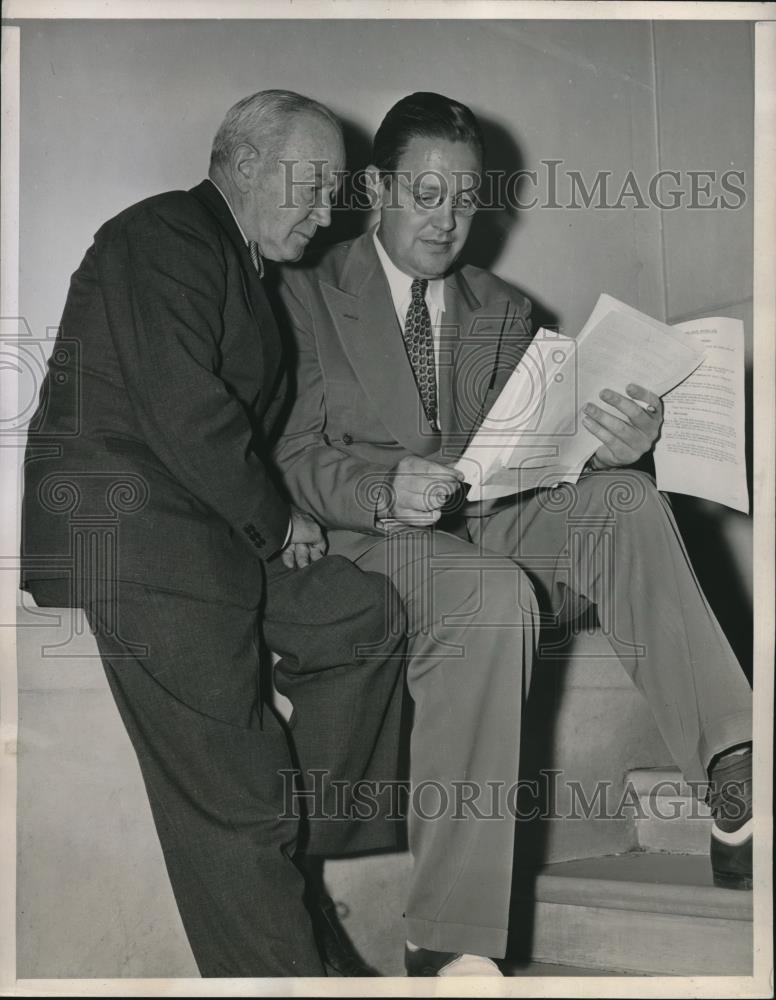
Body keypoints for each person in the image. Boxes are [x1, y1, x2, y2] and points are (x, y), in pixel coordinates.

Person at [272, 91, 754, 976]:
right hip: (373, 535)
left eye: (466, 198)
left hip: (486, 518)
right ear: (376, 188)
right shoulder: (304, 292)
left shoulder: (505, 307)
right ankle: (444, 936)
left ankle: (734, 769)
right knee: (489, 596)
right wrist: (383, 486)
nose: (449, 219)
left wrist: (622, 447)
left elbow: (536, 455)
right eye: (426, 194)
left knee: (626, 502)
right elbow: (293, 452)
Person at [20, 90, 407, 978]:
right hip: (137, 537)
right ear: (240, 165)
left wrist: (279, 521)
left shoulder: (246, 272)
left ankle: (291, 843)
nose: (327, 210)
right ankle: (281, 907)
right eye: (311, 186)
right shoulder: (162, 235)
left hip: (206, 527)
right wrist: (279, 522)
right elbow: (189, 413)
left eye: (334, 191)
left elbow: (238, 437)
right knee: (238, 807)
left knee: (362, 616)